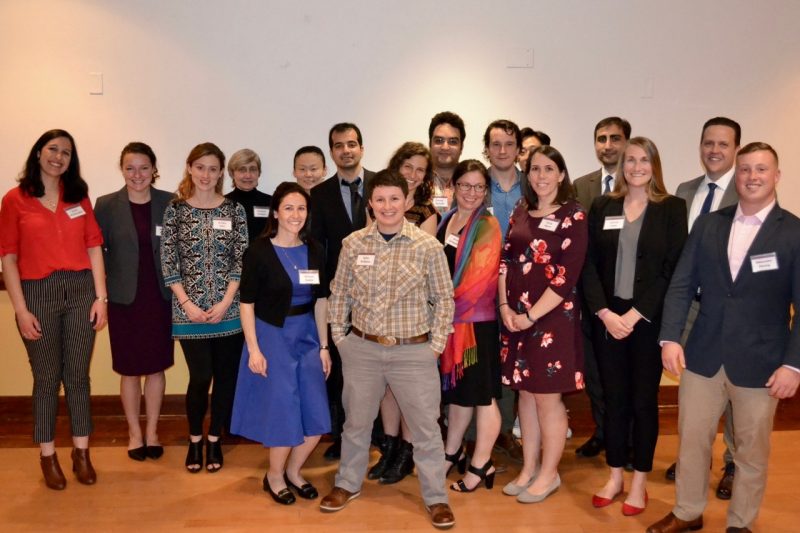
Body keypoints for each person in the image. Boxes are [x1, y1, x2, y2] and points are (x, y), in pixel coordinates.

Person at [647, 142, 800, 533]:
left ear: (776, 176)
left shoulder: (794, 232)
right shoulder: (709, 224)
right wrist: (671, 339)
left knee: (751, 451)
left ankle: (741, 522)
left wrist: (793, 364)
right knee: (691, 442)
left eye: (761, 169)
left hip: (762, 362)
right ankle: (687, 512)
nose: (752, 177)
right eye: (746, 169)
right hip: (702, 354)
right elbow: (682, 285)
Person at [320, 169, 456, 530]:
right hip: (362, 349)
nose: (387, 206)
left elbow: (444, 299)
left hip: (413, 353)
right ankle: (346, 484)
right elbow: (340, 293)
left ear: (407, 201)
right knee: (356, 424)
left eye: (394, 199)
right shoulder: (354, 244)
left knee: (426, 429)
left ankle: (436, 498)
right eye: (379, 199)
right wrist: (341, 339)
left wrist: (435, 346)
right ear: (371, 204)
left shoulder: (428, 247)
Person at [581, 137, 687, 516]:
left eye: (644, 160)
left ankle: (639, 482)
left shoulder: (672, 208)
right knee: (614, 401)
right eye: (630, 160)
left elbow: (671, 269)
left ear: (654, 165)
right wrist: (605, 314)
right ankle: (614, 476)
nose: (636, 166)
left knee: (643, 404)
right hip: (608, 320)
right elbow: (588, 265)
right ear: (621, 165)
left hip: (645, 321)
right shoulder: (602, 205)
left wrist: (636, 313)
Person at [0, 129, 107, 489]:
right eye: (52, 149)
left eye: (66, 152)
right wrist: (20, 309)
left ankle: (82, 452)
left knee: (78, 377)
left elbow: (94, 248)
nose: (58, 156)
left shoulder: (78, 197)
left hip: (80, 291)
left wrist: (100, 298)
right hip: (37, 294)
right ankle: (48, 455)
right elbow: (9, 258)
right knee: (46, 379)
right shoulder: (14, 200)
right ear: (38, 153)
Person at [230, 182, 331, 505]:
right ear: (275, 212)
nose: (295, 215)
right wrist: (254, 349)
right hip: (273, 335)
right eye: (288, 208)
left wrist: (325, 346)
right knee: (284, 413)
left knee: (316, 415)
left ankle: (294, 471)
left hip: (308, 335)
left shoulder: (315, 249)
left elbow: (321, 301)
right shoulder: (259, 251)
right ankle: (274, 477)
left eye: (301, 208)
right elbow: (246, 304)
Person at [498, 145, 587, 503]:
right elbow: (505, 261)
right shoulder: (521, 210)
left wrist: (531, 315)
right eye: (535, 169)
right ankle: (528, 467)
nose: (541, 176)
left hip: (551, 320)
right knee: (525, 395)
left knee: (548, 400)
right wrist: (505, 306)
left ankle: (549, 474)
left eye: (549, 169)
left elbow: (566, 277)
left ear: (561, 174)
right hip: (515, 317)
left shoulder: (573, 216)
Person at [664, 117, 741, 495]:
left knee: (732, 391)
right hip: (690, 308)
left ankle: (732, 464)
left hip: (728, 313)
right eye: (708, 143)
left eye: (723, 144)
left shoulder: (746, 193)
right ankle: (695, 459)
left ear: (736, 150)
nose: (714, 150)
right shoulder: (684, 190)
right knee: (693, 388)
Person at [161, 142, 248, 473]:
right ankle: (194, 439)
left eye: (213, 169)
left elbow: (241, 258)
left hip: (229, 309)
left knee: (226, 378)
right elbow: (168, 260)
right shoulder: (175, 210)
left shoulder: (234, 211)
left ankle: (215, 441)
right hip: (188, 311)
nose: (206, 175)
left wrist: (227, 301)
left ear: (221, 172)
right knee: (200, 377)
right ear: (190, 168)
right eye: (200, 167)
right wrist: (187, 303)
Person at [94, 142, 174, 462]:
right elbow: (95, 253)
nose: (137, 174)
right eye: (130, 168)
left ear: (153, 168)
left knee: (155, 368)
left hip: (159, 298)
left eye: (143, 167)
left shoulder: (170, 203)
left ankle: (152, 431)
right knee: (129, 370)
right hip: (124, 299)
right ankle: (134, 433)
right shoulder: (106, 205)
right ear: (122, 169)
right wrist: (100, 294)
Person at [369, 141, 438, 485]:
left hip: (411, 318)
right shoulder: (380, 205)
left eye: (420, 170)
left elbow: (420, 269)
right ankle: (389, 448)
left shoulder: (427, 213)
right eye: (407, 166)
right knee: (386, 389)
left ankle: (406, 453)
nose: (412, 174)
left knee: (408, 390)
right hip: (377, 317)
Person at [309, 122, 376, 460]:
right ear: (332, 152)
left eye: (352, 144)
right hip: (339, 294)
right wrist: (324, 293)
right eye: (339, 145)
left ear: (362, 148)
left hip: (379, 295)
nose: (346, 150)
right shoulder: (319, 194)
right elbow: (318, 247)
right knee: (340, 367)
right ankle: (343, 435)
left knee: (376, 366)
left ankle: (378, 435)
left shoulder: (381, 184)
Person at [437, 159, 502, 493]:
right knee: (459, 394)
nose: (472, 193)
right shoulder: (447, 219)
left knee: (484, 396)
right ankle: (451, 452)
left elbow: (477, 281)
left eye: (479, 187)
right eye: (465, 185)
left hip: (476, 325)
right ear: (454, 187)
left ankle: (481, 463)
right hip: (451, 322)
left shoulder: (487, 225)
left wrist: (441, 308)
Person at [572, 116, 632, 459]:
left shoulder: (639, 183)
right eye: (601, 139)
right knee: (594, 372)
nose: (607, 145)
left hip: (628, 298)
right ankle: (603, 432)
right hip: (589, 296)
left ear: (627, 142)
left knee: (625, 375)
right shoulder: (582, 186)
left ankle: (628, 438)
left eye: (614, 139)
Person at [484, 118, 525, 462]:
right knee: (482, 356)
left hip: (523, 286)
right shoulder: (475, 184)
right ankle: (477, 434)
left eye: (508, 144)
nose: (501, 151)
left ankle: (506, 430)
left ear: (518, 149)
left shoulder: (534, 185)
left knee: (514, 357)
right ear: (487, 149)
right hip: (480, 286)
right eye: (495, 144)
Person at [225, 148, 272, 242]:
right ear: (232, 173)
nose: (248, 175)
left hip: (262, 256)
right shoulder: (221, 203)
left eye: (253, 169)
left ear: (259, 173)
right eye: (242, 170)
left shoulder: (271, 202)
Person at [428, 111, 466, 214]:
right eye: (439, 140)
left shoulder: (472, 184)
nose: (445, 147)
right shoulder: (417, 181)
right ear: (430, 144)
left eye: (453, 141)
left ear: (461, 147)